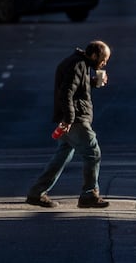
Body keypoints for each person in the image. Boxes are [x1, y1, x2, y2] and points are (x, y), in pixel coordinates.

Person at [26, 40, 112, 209]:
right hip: (76, 119)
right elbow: (66, 93)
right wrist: (69, 119)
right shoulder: (77, 65)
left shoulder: (78, 63)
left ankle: (36, 192)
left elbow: (75, 86)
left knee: (62, 156)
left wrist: (93, 82)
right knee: (93, 153)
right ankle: (89, 194)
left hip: (71, 118)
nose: (104, 63)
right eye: (103, 59)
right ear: (94, 55)